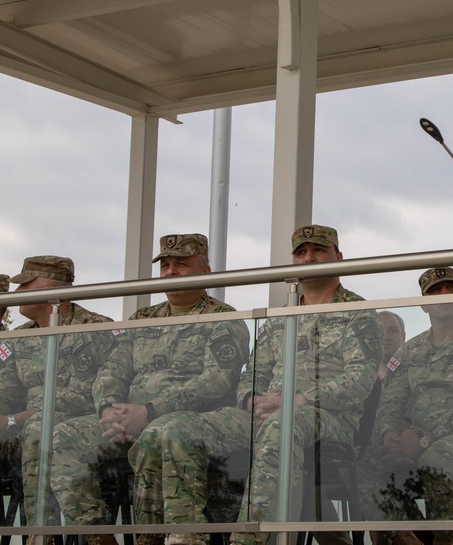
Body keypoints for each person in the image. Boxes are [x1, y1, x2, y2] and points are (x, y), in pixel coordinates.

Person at [126, 225, 382, 545]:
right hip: (265, 410)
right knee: (172, 427)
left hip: (326, 416)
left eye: (319, 250)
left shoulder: (357, 313)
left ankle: (248, 539)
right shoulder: (281, 316)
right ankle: (178, 537)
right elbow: (255, 370)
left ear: (338, 257)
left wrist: (297, 400)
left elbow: (360, 379)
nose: (309, 258)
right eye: (301, 252)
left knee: (281, 423)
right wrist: (250, 400)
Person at [48, 234, 248, 545]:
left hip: (190, 420)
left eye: (181, 264)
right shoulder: (142, 318)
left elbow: (217, 382)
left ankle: (167, 536)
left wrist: (150, 411)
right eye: (165, 265)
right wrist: (108, 409)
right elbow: (111, 370)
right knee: (61, 437)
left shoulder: (224, 320)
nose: (170, 271)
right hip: (128, 421)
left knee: (163, 430)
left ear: (206, 271)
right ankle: (96, 534)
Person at [360, 267, 453, 545]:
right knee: (361, 464)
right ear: (423, 304)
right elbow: (391, 402)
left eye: (451, 288)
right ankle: (402, 536)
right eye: (435, 291)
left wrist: (423, 438)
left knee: (438, 458)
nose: (444, 295)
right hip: (417, 438)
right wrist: (391, 437)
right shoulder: (409, 352)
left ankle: (446, 540)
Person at [0, 257, 113, 531]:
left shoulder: (94, 328)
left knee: (40, 427)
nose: (17, 294)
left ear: (54, 288)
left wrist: (22, 417)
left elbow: (88, 394)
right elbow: (6, 392)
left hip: (82, 426)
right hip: (27, 427)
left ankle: (41, 534)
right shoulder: (20, 336)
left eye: (25, 285)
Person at [377, 311, 405, 381]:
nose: (386, 337)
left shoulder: (417, 371)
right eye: (379, 331)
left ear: (403, 336)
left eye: (392, 331)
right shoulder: (358, 377)